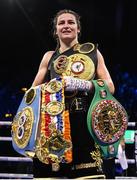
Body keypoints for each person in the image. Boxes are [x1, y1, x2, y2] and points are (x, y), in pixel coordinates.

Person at [32, 9, 115, 179]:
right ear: (56, 30)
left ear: (78, 29)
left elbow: (110, 86)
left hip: (84, 123)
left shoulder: (93, 53)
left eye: (71, 22)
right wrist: (53, 87)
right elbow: (33, 92)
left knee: (88, 175)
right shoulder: (49, 57)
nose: (66, 26)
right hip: (52, 125)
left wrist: (82, 84)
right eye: (61, 23)